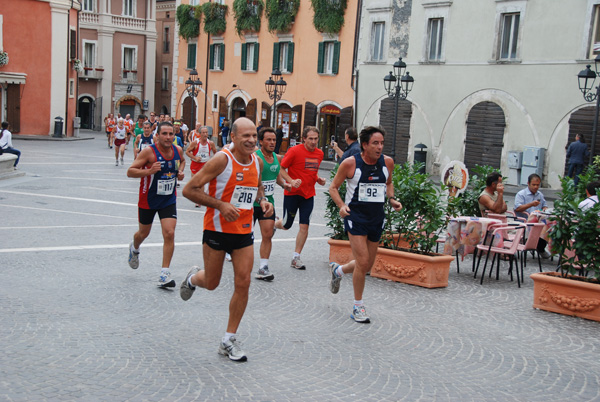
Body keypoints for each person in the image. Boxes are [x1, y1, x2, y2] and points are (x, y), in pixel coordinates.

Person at [180, 117, 272, 362]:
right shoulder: (222, 160)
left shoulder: (257, 160)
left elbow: (257, 185)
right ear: (233, 137)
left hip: (243, 233)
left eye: (254, 135)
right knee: (212, 283)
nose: (252, 140)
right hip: (217, 231)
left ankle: (228, 339)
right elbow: (189, 189)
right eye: (246, 136)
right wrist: (220, 205)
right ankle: (192, 278)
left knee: (243, 282)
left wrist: (262, 200)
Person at [328, 126, 402, 323]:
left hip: (376, 218)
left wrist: (392, 199)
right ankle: (358, 306)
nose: (379, 147)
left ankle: (338, 271)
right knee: (362, 262)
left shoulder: (388, 163)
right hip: (356, 217)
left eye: (382, 143)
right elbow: (333, 188)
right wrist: (342, 206)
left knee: (367, 265)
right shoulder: (351, 163)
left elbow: (388, 183)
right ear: (365, 145)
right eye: (375, 143)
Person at [126, 121, 185, 288]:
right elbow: (130, 171)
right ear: (157, 135)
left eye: (171, 134)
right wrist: (149, 171)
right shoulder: (148, 152)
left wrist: (180, 172)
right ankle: (135, 247)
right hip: (148, 199)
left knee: (169, 233)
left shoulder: (177, 150)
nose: (168, 137)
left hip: (168, 199)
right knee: (143, 233)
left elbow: (182, 161)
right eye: (164, 134)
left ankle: (164, 273)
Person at [253, 127, 301, 281]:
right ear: (261, 142)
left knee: (267, 235)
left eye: (274, 140)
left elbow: (275, 175)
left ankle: (263, 267)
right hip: (252, 203)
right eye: (268, 139)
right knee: (244, 236)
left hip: (269, 204)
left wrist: (284, 184)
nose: (272, 142)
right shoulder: (255, 157)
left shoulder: (275, 157)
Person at [274, 126, 326, 270]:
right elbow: (281, 168)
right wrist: (290, 181)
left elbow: (312, 172)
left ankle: (296, 257)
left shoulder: (319, 154)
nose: (313, 142)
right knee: (286, 224)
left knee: (304, 226)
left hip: (308, 195)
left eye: (316, 139)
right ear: (304, 139)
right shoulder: (294, 151)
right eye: (310, 138)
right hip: (292, 193)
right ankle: (274, 224)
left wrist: (318, 179)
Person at [515, 173, 550, 258]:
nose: (535, 187)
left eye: (537, 185)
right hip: (525, 220)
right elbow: (517, 208)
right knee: (538, 228)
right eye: (533, 185)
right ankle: (535, 246)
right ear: (528, 183)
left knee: (548, 227)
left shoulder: (540, 195)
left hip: (539, 221)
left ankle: (541, 248)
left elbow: (544, 205)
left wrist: (544, 209)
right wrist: (531, 204)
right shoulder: (521, 194)